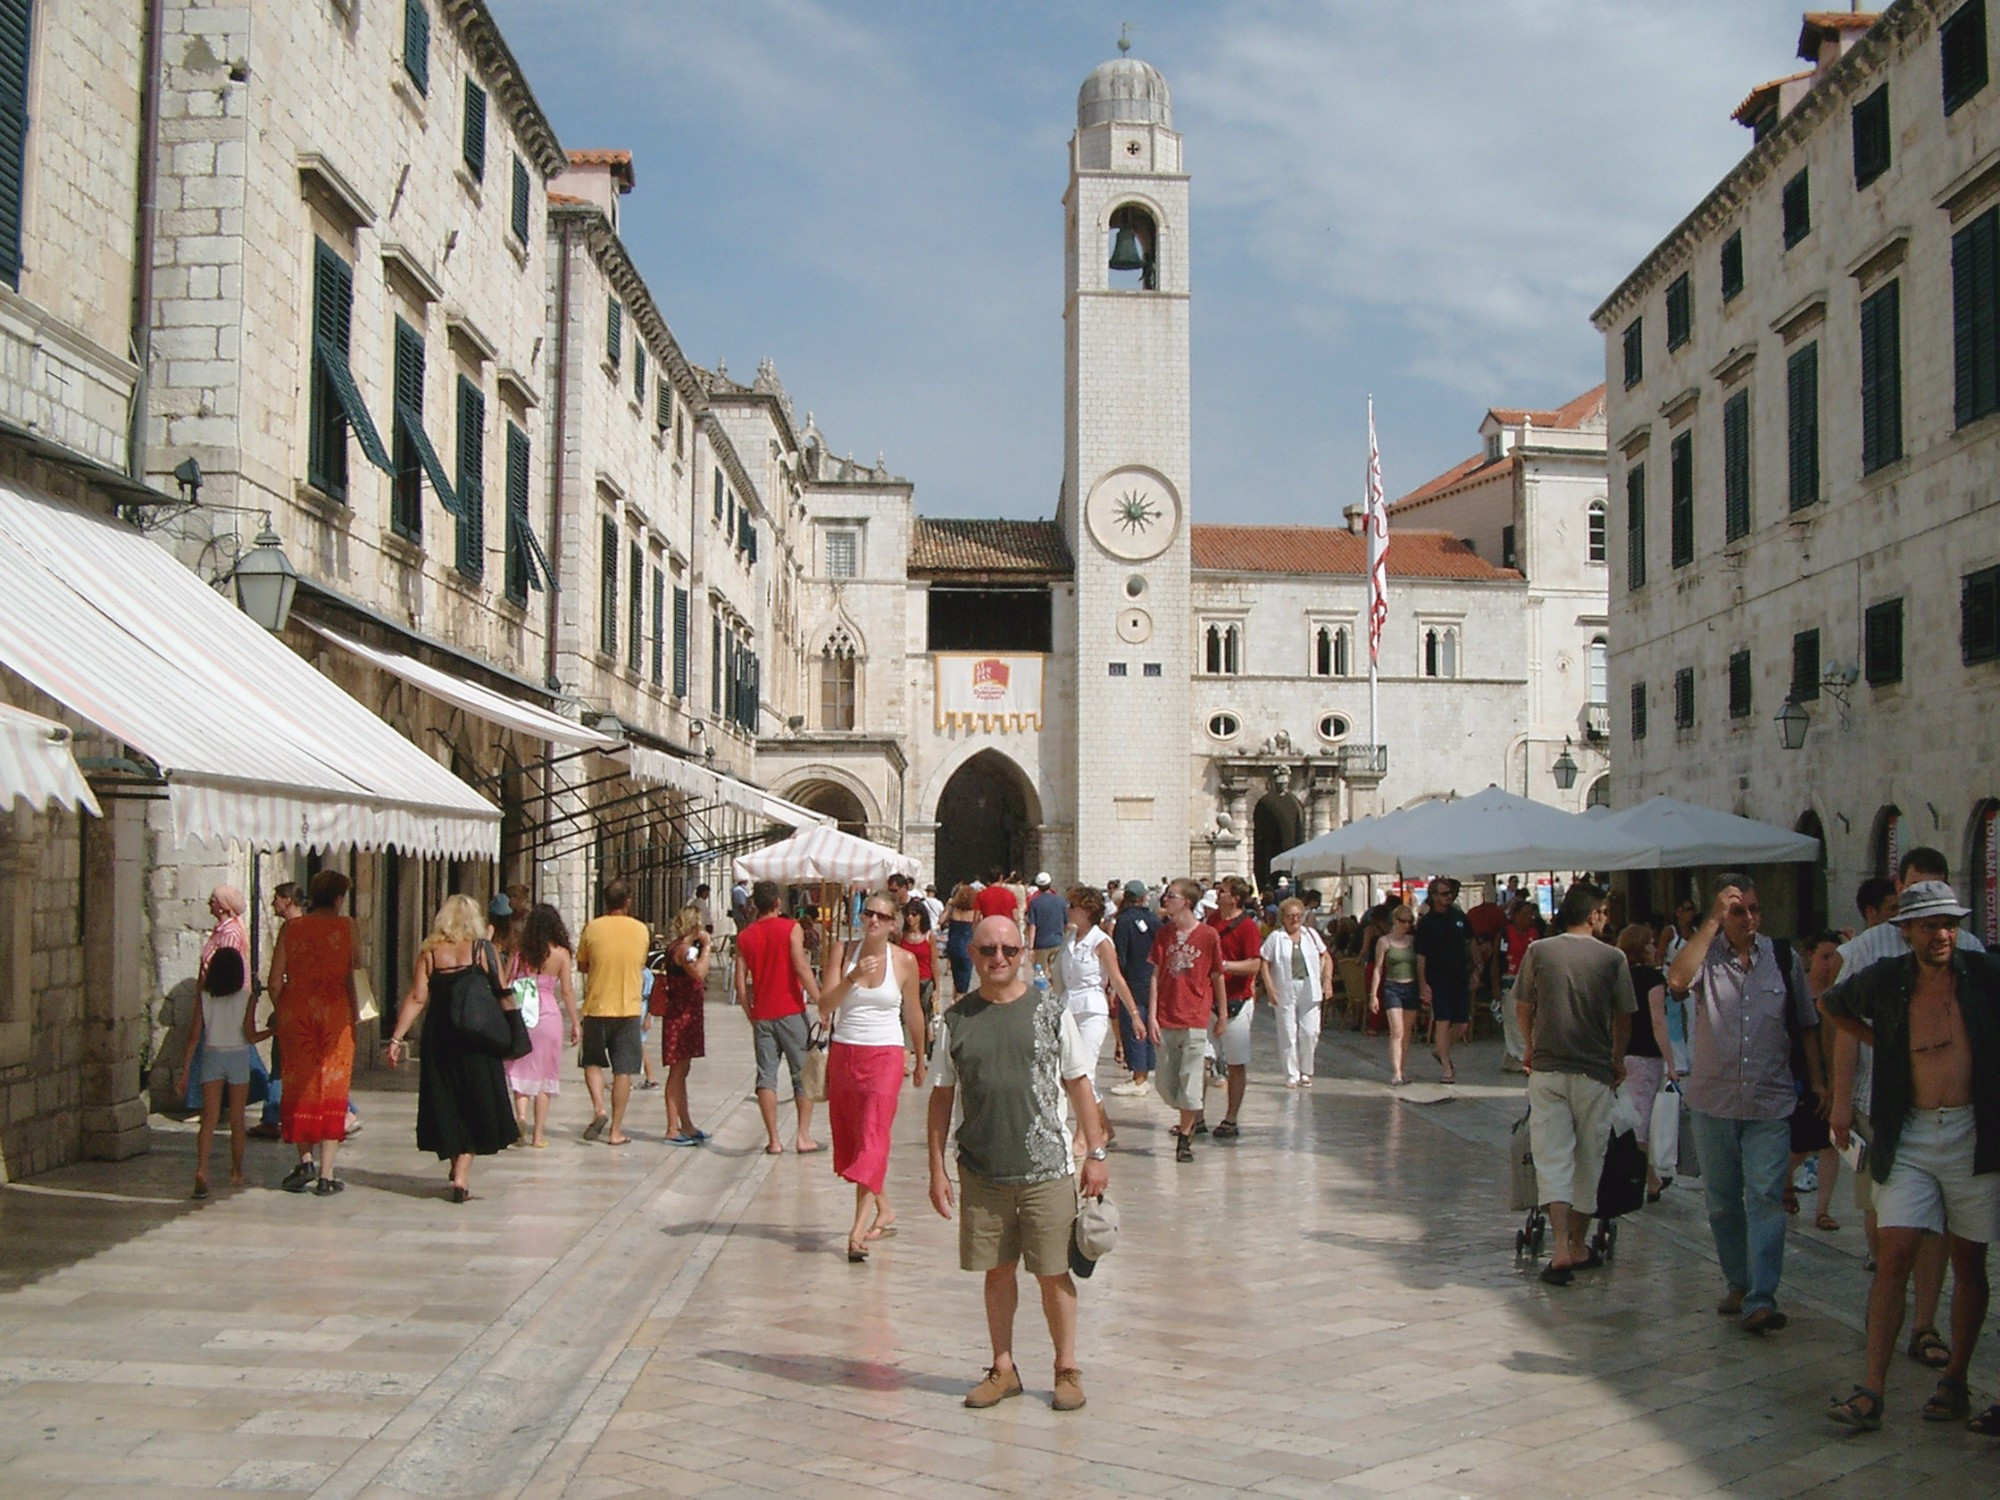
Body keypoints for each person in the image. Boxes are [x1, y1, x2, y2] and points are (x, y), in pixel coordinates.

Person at [1818, 881, 2000, 1433]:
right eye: (1929, 925)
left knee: (1969, 1261)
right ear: (1906, 933)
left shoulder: (1984, 973)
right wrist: (1879, 1042)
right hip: (1912, 1132)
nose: (1941, 934)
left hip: (1973, 1132)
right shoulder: (1888, 981)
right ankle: (1872, 1390)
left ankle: (1955, 1381)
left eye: (1949, 924)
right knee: (1893, 1256)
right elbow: (1829, 1001)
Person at [927, 914, 1107, 1412]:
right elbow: (941, 1097)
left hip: (1047, 1168)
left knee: (1054, 1273)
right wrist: (936, 1169)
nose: (999, 958)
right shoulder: (956, 1020)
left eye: (1008, 949)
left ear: (1022, 952)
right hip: (982, 1169)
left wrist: (1095, 1153)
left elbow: (1079, 1083)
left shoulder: (1050, 1010)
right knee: (997, 1272)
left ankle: (1066, 1367)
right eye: (988, 950)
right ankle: (1002, 1367)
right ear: (973, 954)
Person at [1668, 873, 1817, 1333]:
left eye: (1754, 909)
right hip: (1713, 1100)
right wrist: (1710, 922)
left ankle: (1761, 1296)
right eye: (1738, 911)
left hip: (1769, 1101)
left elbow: (1807, 1025)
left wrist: (1820, 1083)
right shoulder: (1705, 957)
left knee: (1767, 1197)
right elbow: (1676, 979)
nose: (1749, 918)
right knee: (1722, 1202)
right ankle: (1738, 1281)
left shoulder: (1783, 957)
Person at [1515, 882, 1637, 1285]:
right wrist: (1617, 1057)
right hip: (1593, 1070)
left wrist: (1530, 1047)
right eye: (1603, 912)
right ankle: (1578, 1242)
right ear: (1593, 914)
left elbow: (1523, 1005)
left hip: (1548, 1068)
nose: (1605, 918)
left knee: (1551, 1157)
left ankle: (1561, 1247)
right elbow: (1624, 1015)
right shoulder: (1613, 958)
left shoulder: (1539, 951)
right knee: (1589, 1157)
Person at [385, 894, 522, 1201]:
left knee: (446, 1098)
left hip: (440, 1036)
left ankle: (454, 1162)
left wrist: (396, 1038)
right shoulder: (482, 950)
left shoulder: (431, 952)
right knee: (476, 1099)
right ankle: (461, 1174)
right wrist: (515, 1031)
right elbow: (503, 993)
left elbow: (417, 998)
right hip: (477, 1037)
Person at [820, 893, 927, 1262]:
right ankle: (885, 1209)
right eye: (870, 914)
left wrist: (921, 1056)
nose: (875, 921)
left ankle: (856, 1232)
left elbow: (914, 1012)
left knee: (873, 1139)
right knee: (851, 1141)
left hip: (885, 1054)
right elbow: (824, 1005)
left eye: (883, 916)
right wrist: (852, 977)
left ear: (894, 923)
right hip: (845, 1052)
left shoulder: (906, 961)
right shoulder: (842, 951)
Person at [265, 870, 358, 1195]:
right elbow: (354, 974)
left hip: (297, 1014)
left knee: (297, 1083)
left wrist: (285, 1009)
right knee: (332, 1085)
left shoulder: (292, 929)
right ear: (338, 898)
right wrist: (357, 1013)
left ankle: (304, 1159)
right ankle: (327, 1175)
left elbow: (275, 980)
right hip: (335, 1015)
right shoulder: (348, 928)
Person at [734, 879, 824, 1155]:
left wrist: (750, 1012)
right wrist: (822, 1001)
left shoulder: (745, 936)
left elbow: (740, 982)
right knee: (803, 1074)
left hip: (762, 1013)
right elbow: (801, 967)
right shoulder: (790, 929)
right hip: (790, 1010)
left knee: (766, 1075)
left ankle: (773, 1139)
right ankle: (803, 1136)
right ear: (777, 903)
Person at [1057, 885, 1142, 1154]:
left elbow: (1116, 978)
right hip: (1068, 1008)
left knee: (1083, 1073)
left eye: (1073, 906)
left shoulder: (1101, 941)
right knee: (1066, 1072)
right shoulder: (1070, 938)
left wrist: (1135, 1015)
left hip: (1092, 1009)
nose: (1068, 910)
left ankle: (1085, 1136)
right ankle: (1105, 1127)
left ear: (1086, 911)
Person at [1151, 878, 1227, 1163]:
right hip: (1167, 1016)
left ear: (1186, 902)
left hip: (1196, 1017)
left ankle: (1185, 1139)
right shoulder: (1163, 935)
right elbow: (1156, 976)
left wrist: (1222, 1014)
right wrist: (1151, 1015)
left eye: (1170, 896)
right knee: (1165, 1085)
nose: (1165, 900)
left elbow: (1217, 975)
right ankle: (1187, 1117)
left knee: (1192, 1080)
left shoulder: (1208, 936)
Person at [176, 947, 259, 1198]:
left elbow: (193, 1037)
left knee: (209, 1119)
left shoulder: (204, 997)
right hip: (237, 1056)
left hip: (211, 1054)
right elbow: (250, 1035)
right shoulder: (247, 998)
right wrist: (275, 1031)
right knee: (237, 1119)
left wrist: (185, 1072)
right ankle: (236, 1171)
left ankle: (202, 1169)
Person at [575, 880, 650, 1147]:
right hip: (628, 1008)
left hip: (597, 1007)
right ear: (628, 901)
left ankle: (599, 1108)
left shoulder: (592, 928)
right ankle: (616, 1131)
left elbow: (583, 964)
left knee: (592, 1062)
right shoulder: (640, 930)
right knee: (624, 1071)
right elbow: (640, 962)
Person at [504, 902, 579, 1149]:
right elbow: (567, 991)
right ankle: (538, 1135)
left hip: (523, 1012)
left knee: (521, 1067)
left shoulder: (519, 952)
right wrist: (576, 1022)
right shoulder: (561, 954)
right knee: (546, 1074)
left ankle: (521, 1116)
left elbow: (505, 981)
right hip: (548, 1013)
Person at [1615, 923, 1676, 1201]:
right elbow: (1658, 1021)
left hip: (1622, 1052)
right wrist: (1671, 1061)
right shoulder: (1652, 979)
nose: (1655, 948)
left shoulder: (1618, 976)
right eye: (1651, 943)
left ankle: (1651, 1178)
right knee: (1641, 1120)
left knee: (1629, 1114)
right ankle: (1636, 1179)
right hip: (1645, 1055)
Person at [1785, 931, 1840, 1227]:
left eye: (1835, 957)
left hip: (1836, 1075)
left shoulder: (1841, 994)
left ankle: (1823, 1209)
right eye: (1825, 956)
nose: (1830, 964)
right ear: (1810, 956)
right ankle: (1785, 1183)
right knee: (1802, 1142)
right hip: (1802, 1076)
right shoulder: (1798, 993)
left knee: (1832, 1143)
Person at [1208, 875, 1263, 1136]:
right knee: (1201, 1059)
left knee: (1236, 1061)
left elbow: (1255, 964)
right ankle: (1194, 1117)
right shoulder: (1212, 921)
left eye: (1223, 891)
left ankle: (1231, 1117)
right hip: (1209, 1001)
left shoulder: (1248, 927)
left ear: (1236, 898)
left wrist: (1225, 966)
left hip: (1236, 1000)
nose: (1218, 895)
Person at [250, 880, 305, 1140]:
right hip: (314, 1009)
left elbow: (274, 981)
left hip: (291, 1006)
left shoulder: (290, 930)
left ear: (288, 900)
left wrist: (280, 1007)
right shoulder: (315, 928)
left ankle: (272, 1119)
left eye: (276, 898)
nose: (273, 903)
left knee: (281, 1062)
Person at [655, 905, 711, 1145]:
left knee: (682, 1070)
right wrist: (707, 947)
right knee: (677, 1071)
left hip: (686, 1014)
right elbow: (698, 973)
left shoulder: (679, 948)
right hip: (681, 1016)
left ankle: (686, 1124)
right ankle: (671, 1127)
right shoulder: (684, 950)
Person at [1261, 897, 1331, 1088]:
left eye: (1298, 916)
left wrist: (1327, 981)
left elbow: (1326, 955)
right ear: (1283, 918)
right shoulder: (1276, 937)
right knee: (1288, 1032)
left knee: (1310, 1032)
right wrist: (1269, 988)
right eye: (1291, 916)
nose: (1295, 920)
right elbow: (1264, 962)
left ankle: (1306, 1070)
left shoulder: (1311, 935)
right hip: (1285, 987)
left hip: (1309, 987)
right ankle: (1292, 1073)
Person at [1414, 878, 1475, 1084]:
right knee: (1442, 1021)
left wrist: (1477, 967)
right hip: (1438, 978)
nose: (1448, 897)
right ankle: (1447, 1068)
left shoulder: (1458, 916)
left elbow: (1470, 940)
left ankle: (1441, 1050)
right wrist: (1423, 983)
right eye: (1443, 893)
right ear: (1433, 896)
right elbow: (1420, 956)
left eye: (1449, 893)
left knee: (1462, 1024)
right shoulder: (1427, 923)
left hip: (1460, 976)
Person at [1109, 881, 1158, 1095]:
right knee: (1147, 1022)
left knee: (1133, 1026)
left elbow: (1120, 954)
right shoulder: (1155, 920)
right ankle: (1147, 1069)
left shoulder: (1123, 921)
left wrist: (1114, 983)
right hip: (1152, 979)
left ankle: (1138, 1078)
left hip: (1131, 980)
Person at [1369, 904, 1422, 1086]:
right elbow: (1378, 968)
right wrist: (1373, 994)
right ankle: (1396, 1072)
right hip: (1392, 987)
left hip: (1411, 986)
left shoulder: (1413, 942)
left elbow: (1421, 966)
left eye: (1409, 921)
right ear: (1395, 921)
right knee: (1397, 1031)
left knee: (1406, 1032)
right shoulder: (1384, 942)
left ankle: (1402, 1068)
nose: (1406, 925)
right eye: (1403, 921)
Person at [1499, 899, 1545, 1070]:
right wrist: (1496, 986)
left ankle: (1521, 1055)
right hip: (1510, 980)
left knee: (1529, 1020)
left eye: (1531, 914)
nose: (1529, 918)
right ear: (1515, 915)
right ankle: (1518, 1056)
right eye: (1524, 914)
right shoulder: (1506, 933)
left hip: (1530, 981)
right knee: (1513, 1021)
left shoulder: (1535, 933)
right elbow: (1498, 959)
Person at [899, 904, 939, 1045]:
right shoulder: (902, 936)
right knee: (906, 1015)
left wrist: (937, 989)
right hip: (906, 982)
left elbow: (934, 962)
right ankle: (908, 1047)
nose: (910, 917)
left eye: (914, 914)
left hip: (925, 980)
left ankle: (923, 1049)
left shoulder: (929, 936)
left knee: (925, 1017)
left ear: (921, 916)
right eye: (908, 914)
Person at [1024, 873, 1069, 986]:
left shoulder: (1034, 903)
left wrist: (1030, 947)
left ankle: (1044, 999)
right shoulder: (1060, 901)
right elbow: (1066, 923)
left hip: (1041, 944)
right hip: (1058, 942)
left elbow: (1032, 926)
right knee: (1057, 975)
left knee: (1041, 975)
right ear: (1050, 884)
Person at [943, 884, 980, 998]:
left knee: (956, 979)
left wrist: (948, 905)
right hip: (966, 949)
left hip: (952, 946)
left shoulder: (953, 909)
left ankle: (954, 1002)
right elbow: (977, 928)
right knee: (963, 983)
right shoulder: (974, 912)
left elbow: (941, 920)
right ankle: (959, 1006)